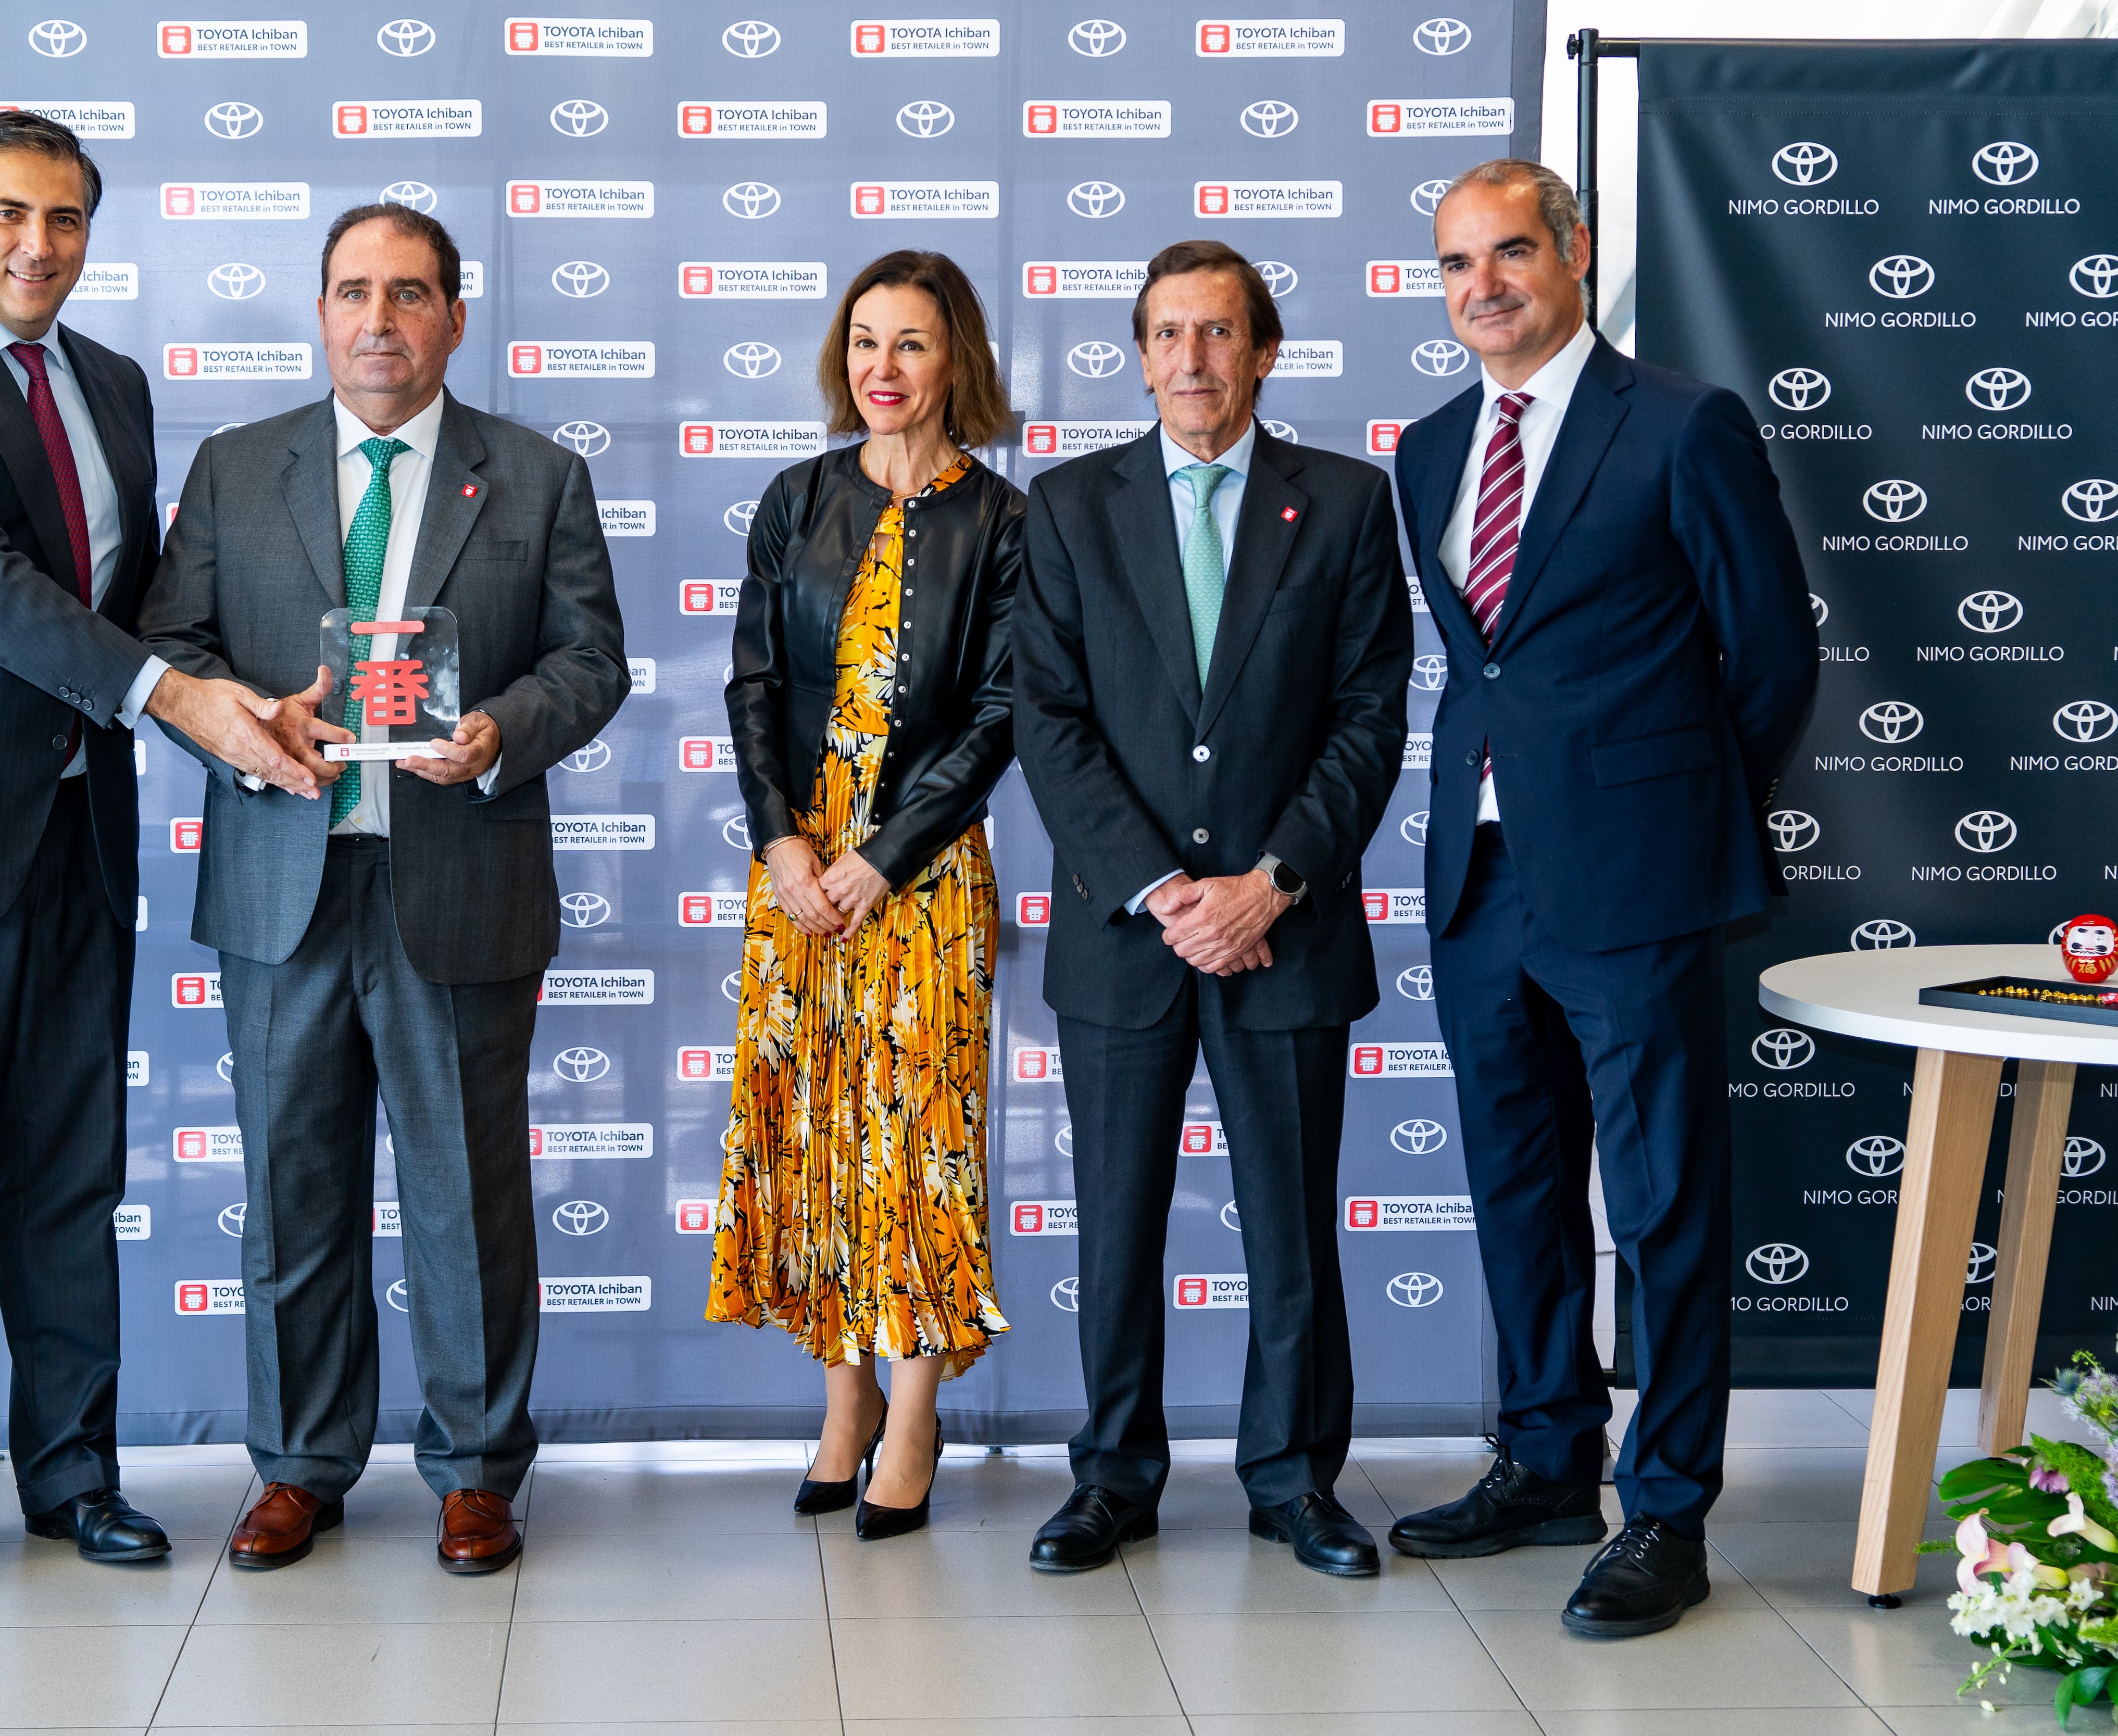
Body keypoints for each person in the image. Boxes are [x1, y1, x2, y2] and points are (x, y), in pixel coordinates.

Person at [0, 112, 327, 1589]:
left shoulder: (112, 384)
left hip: (76, 826)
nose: (40, 244)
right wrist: (175, 696)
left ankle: (75, 1472)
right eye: (12, 214)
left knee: (68, 1172)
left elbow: (133, 604)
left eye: (69, 218)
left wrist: (238, 695)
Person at [139, 202, 628, 1576]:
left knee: (468, 1193)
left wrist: (501, 734)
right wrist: (240, 718)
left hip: (457, 877)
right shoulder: (240, 470)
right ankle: (298, 1462)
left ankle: (477, 1469)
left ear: (455, 319)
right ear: (320, 310)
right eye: (353, 291)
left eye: (409, 293)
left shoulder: (534, 474)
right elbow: (170, 645)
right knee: (294, 1189)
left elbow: (593, 661)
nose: (379, 319)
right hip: (283, 879)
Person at [1386, 160, 1816, 1637]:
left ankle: (1672, 1504)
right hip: (1483, 876)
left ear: (1575, 255)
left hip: (1637, 877)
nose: (1482, 286)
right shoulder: (1432, 448)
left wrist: (1663, 809)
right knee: (1518, 1187)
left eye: (1510, 252)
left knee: (1662, 1201)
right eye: (1456, 264)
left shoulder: (1684, 425)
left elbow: (1768, 664)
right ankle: (1549, 1456)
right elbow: (1483, 661)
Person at [1011, 240, 1412, 1578]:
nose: (1192, 359)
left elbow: (1368, 716)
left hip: (1284, 926)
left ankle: (1295, 1481)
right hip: (1126, 932)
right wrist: (1166, 885)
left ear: (1263, 351)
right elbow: (1050, 721)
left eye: (1219, 333)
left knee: (1290, 1219)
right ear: (1139, 356)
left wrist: (1270, 881)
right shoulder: (1066, 507)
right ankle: (1114, 1475)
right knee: (1116, 1219)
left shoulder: (1348, 503)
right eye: (1168, 335)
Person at [709, 251, 1022, 1541]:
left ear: (958, 363)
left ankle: (912, 1413)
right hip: (794, 876)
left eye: (911, 345)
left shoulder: (1003, 520)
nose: (882, 371)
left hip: (924, 880)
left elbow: (1001, 712)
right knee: (813, 1145)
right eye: (864, 344)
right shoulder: (797, 499)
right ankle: (839, 1406)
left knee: (913, 1150)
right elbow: (747, 686)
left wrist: (880, 856)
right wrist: (783, 845)